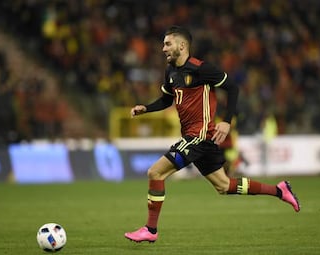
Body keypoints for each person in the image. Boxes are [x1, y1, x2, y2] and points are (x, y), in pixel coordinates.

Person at [124, 26, 300, 243]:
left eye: (167, 44)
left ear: (182, 46)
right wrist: (146, 108)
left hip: (199, 136)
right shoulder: (171, 72)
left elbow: (233, 88)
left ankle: (150, 230)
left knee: (155, 173)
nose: (163, 49)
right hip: (195, 138)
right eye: (163, 44)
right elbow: (167, 100)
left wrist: (226, 121)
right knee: (224, 186)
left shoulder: (201, 69)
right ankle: (280, 190)